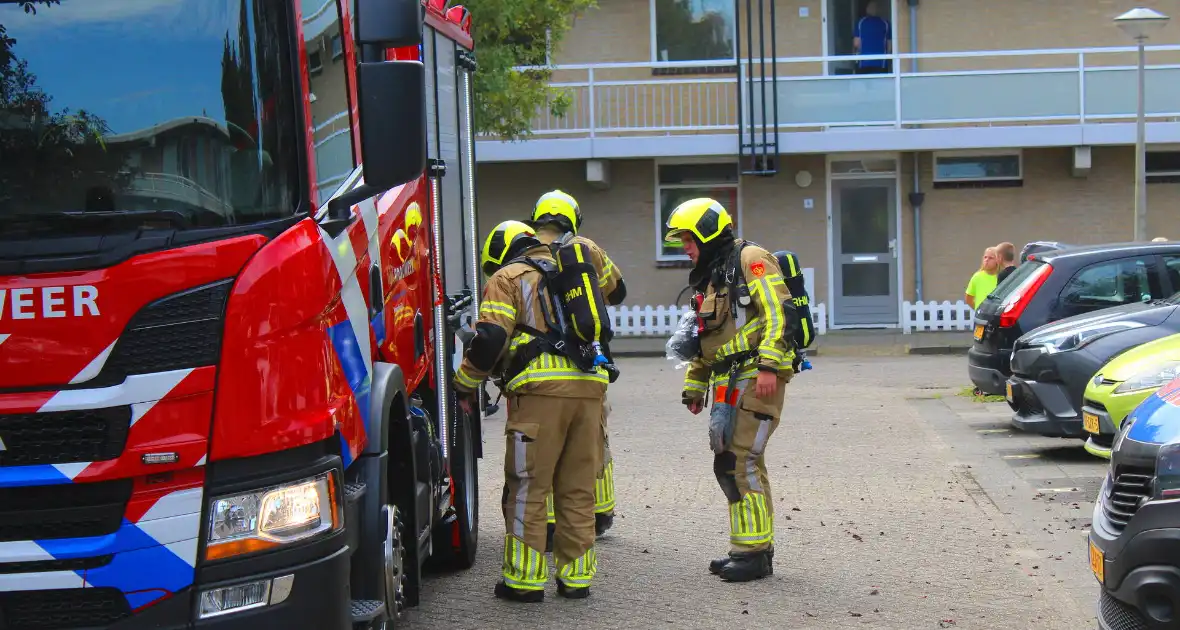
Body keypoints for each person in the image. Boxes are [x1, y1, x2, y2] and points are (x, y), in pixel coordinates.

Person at [453, 220, 608, 602]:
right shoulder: (569, 273)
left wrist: (465, 383)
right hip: (590, 390)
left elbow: (490, 338)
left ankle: (523, 581)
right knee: (576, 488)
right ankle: (576, 580)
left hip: (539, 395)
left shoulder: (508, 277)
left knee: (528, 488)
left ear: (501, 253)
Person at [665, 197, 794, 582]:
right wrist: (694, 386)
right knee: (730, 462)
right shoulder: (714, 274)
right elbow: (705, 337)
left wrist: (770, 364)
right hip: (729, 379)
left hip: (757, 373)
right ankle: (749, 548)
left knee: (742, 459)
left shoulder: (750, 259)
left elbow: (777, 311)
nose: (685, 247)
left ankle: (753, 555)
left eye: (688, 239)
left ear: (706, 232)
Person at [527, 190, 627, 547]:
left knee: (548, 443)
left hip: (538, 364)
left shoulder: (523, 249)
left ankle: (551, 524)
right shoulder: (586, 248)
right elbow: (617, 290)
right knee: (592, 438)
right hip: (588, 359)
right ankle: (601, 512)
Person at [853, 0, 891, 74]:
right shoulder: (885, 23)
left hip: (864, 63)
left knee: (865, 84)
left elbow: (856, 44)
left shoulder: (861, 22)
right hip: (880, 63)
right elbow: (889, 46)